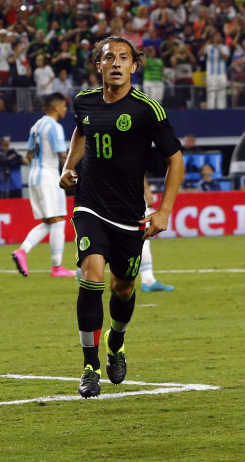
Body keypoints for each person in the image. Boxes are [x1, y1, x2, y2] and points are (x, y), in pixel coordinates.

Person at [59, 36, 184, 399]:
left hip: (129, 215)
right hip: (89, 206)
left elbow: (175, 160)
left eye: (123, 58)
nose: (116, 63)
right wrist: (68, 167)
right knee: (92, 275)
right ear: (98, 65)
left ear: (134, 65)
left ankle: (117, 341)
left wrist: (163, 210)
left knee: (123, 287)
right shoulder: (83, 101)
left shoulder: (147, 110)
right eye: (108, 57)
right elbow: (82, 131)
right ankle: (89, 366)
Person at [12, 92, 76, 278]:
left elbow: (29, 155)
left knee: (49, 222)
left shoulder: (36, 126)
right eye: (64, 106)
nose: (65, 109)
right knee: (58, 220)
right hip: (48, 177)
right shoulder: (54, 127)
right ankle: (57, 267)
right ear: (56, 107)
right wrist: (73, 174)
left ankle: (22, 251)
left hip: (34, 178)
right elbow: (63, 155)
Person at [139, 177, 174, 292]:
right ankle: (148, 280)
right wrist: (147, 191)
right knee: (143, 234)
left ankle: (88, 268)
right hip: (129, 194)